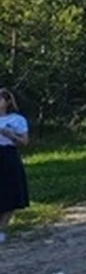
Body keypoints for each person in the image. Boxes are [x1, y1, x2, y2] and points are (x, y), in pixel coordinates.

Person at [0, 88, 30, 244]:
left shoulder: (17, 119)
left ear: (7, 102)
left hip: (8, 155)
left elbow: (24, 142)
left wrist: (11, 135)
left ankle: (2, 229)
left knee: (11, 192)